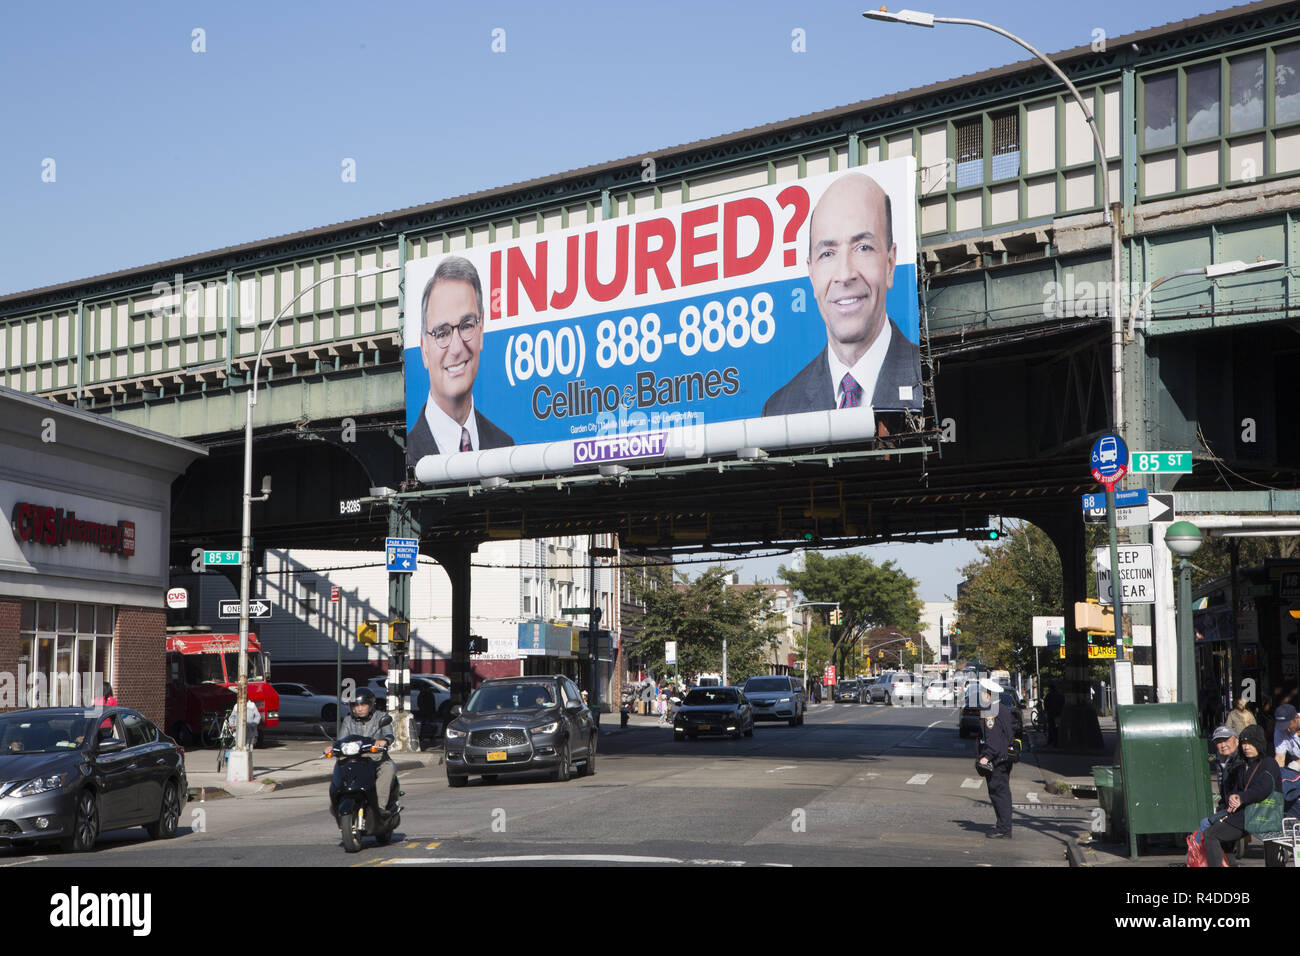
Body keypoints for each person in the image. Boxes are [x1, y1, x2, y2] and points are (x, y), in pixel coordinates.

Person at [762, 172, 922, 418]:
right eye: (827, 253)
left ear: (890, 265)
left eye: (863, 248)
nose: (845, 274)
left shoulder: (929, 377)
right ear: (811, 274)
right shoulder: (778, 409)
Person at [406, 256, 514, 468]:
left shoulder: (505, 446)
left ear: (481, 332)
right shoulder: (409, 456)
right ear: (424, 349)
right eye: (442, 333)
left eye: (466, 325)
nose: (456, 348)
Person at [1203, 724, 1282, 867]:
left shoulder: (1269, 763)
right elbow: (1234, 789)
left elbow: (1264, 788)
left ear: (1259, 743)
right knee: (1214, 832)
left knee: (1211, 835)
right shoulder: (1241, 765)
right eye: (1244, 743)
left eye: (1251, 743)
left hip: (1265, 813)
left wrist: (1241, 798)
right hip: (1245, 814)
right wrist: (1231, 801)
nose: (1246, 747)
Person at [324, 689, 398, 811]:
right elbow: (341, 739)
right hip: (354, 758)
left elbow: (389, 735)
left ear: (371, 705)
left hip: (376, 757)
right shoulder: (348, 720)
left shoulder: (381, 717)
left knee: (388, 768)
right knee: (339, 768)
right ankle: (337, 803)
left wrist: (384, 741)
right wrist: (333, 747)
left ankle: (380, 807)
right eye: (356, 706)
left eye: (363, 705)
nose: (360, 709)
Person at [975, 678, 1015, 839]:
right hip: (1004, 757)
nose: (981, 696)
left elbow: (994, 740)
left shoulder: (991, 711)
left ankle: (1004, 828)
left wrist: (986, 756)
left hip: (997, 759)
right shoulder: (1002, 708)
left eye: (982, 693)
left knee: (999, 793)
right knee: (1001, 792)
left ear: (988, 695)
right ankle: (1003, 826)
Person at [1272, 703, 1300, 768]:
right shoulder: (1280, 729)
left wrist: (1296, 765)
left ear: (1297, 717)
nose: (1285, 728)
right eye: (1282, 726)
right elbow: (1280, 757)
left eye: (1288, 724)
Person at [1044, 680, 1064, 747]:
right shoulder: (1060, 695)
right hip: (1058, 714)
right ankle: (1055, 741)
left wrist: (1046, 711)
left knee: (1052, 728)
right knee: (1056, 728)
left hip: (1051, 714)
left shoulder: (1049, 696)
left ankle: (1052, 741)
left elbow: (1046, 704)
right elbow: (1063, 703)